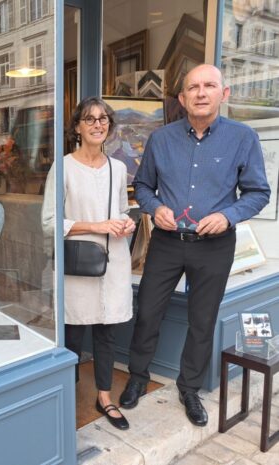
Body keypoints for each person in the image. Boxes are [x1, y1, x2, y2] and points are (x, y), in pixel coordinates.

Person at [119, 64, 270, 427]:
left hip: (215, 246)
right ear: (182, 98)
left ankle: (189, 388)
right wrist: (155, 209)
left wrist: (229, 216)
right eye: (193, 87)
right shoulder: (161, 139)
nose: (201, 93)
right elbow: (142, 187)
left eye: (209, 86)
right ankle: (138, 377)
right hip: (167, 243)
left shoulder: (242, 137)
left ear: (224, 93)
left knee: (202, 321)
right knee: (148, 312)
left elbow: (258, 192)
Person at [42, 97, 136, 430]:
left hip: (113, 261)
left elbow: (122, 211)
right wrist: (95, 225)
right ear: (78, 127)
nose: (98, 124)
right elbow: (50, 221)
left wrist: (127, 223)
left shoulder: (119, 168)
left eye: (103, 119)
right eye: (89, 119)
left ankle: (105, 398)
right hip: (79, 264)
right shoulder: (63, 166)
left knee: (107, 332)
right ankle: (65, 398)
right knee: (74, 335)